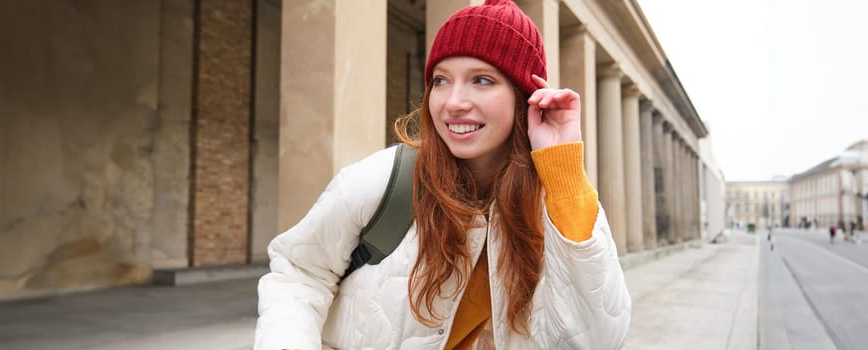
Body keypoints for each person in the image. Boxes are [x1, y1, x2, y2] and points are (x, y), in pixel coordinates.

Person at [254, 1, 631, 349]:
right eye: (440, 80)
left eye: (482, 80)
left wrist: (564, 167)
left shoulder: (559, 203)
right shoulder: (383, 179)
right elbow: (298, 273)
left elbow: (596, 338)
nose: (453, 102)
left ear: (525, 97)